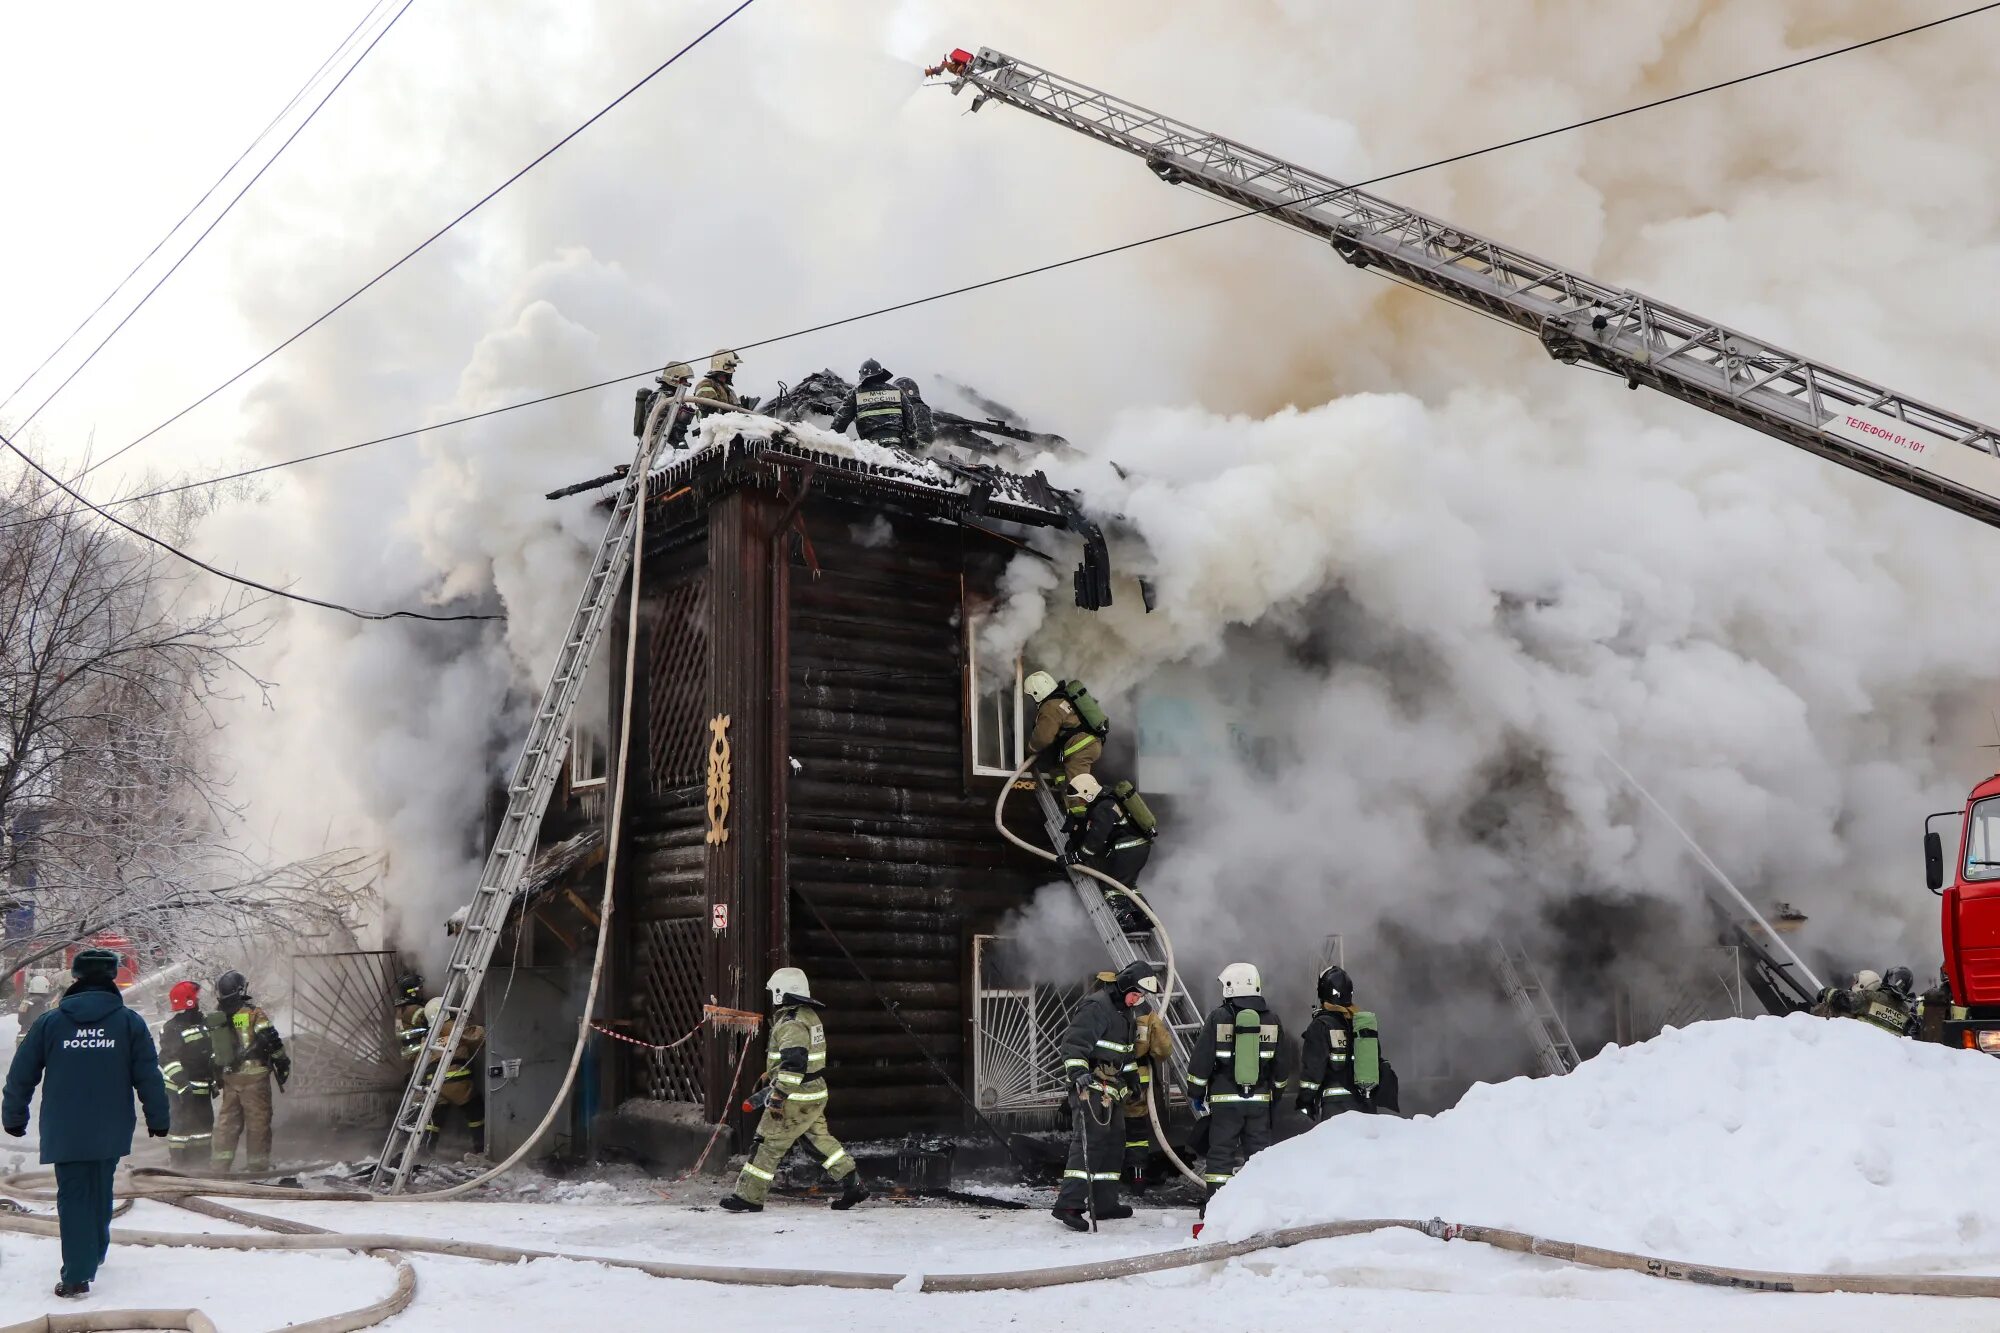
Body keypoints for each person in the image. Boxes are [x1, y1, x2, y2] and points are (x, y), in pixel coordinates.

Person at [3, 947, 170, 1298]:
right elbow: (148, 1076)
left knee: (75, 1194)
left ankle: (78, 1272)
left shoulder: (51, 1022)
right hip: (111, 1125)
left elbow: (21, 1073)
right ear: (111, 978)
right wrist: (158, 1117)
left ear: (75, 979)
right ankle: (92, 1253)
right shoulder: (129, 1023)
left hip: (65, 1128)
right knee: (99, 1186)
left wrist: (14, 1114)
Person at [721, 968, 867, 1213]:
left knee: (767, 1143)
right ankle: (855, 1186)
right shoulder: (808, 1016)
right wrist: (771, 1074)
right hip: (813, 1092)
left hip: (795, 1097)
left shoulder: (791, 1023)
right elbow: (803, 1059)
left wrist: (778, 1095)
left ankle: (748, 1197)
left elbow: (794, 1064)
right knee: (819, 1142)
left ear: (782, 992)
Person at [1052, 959, 1159, 1232]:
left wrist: (1133, 1076)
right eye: (1135, 993)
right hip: (1091, 1088)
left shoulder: (1126, 1013)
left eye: (1141, 996)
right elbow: (1073, 1043)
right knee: (1090, 1144)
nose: (1138, 999)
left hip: (1113, 1091)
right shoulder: (1097, 1006)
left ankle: (1104, 1203)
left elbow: (1124, 1053)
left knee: (1113, 1144)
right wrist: (1078, 1074)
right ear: (1124, 985)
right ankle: (1069, 1205)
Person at [1186, 963, 1287, 1212]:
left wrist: (1196, 1093)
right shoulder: (1272, 1020)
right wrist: (1274, 1094)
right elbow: (1282, 1064)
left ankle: (1217, 1208)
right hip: (1259, 1100)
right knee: (1259, 1156)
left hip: (1225, 1100)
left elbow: (1202, 1059)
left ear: (1232, 986)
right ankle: (1259, 1208)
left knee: (1220, 1155)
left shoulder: (1218, 1018)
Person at [207, 971, 290, 1174]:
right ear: (240, 989)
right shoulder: (253, 1013)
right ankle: (257, 1165)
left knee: (227, 1124)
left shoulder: (217, 1017)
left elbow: (213, 1050)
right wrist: (283, 1062)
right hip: (255, 1077)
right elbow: (272, 1040)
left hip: (230, 1078)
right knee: (258, 1123)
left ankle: (219, 1166)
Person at [1063, 774, 1159, 932]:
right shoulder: (1109, 800)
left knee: (1111, 886)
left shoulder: (1103, 808)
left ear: (1088, 792)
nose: (1080, 802)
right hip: (1140, 847)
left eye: (1080, 798)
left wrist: (1076, 856)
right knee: (1127, 885)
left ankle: (1124, 919)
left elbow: (1096, 839)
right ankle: (1146, 916)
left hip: (1126, 848)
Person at [1297, 964, 1376, 1120]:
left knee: (1337, 1144)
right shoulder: (1361, 1024)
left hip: (1335, 1105)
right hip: (1364, 1100)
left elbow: (1313, 1068)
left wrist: (1305, 1100)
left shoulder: (1321, 1025)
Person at [1024, 671, 1109, 814]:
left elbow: (1043, 738)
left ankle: (1079, 820)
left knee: (1077, 787)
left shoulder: (1050, 707)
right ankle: (1064, 790)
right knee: (1058, 769)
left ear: (1036, 693)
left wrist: (1030, 749)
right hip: (1090, 743)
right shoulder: (1065, 698)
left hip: (1080, 748)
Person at [415, 996, 486, 1155]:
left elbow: (419, 1061)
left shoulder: (427, 1036)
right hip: (456, 1081)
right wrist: (481, 1027)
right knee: (475, 1111)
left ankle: (424, 1152)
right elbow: (476, 1036)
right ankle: (480, 1149)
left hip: (433, 1082)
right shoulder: (452, 1027)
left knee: (434, 1118)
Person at [158, 981, 216, 1169]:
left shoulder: (203, 1023)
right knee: (181, 1128)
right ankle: (179, 1164)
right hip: (181, 1089)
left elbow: (210, 1051)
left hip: (202, 1086)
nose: (200, 999)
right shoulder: (173, 1029)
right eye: (196, 996)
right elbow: (167, 1060)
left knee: (203, 1127)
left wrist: (215, 1077)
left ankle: (201, 1163)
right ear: (189, 1001)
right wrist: (183, 1084)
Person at [830, 358, 914, 447]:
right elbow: (910, 417)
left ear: (861, 375)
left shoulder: (856, 393)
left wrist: (831, 441)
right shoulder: (897, 391)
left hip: (871, 447)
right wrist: (910, 441)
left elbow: (841, 421)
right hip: (896, 446)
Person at [633, 362, 697, 443]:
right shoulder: (660, 397)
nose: (686, 383)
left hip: (677, 441)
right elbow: (657, 426)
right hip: (662, 444)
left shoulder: (679, 399)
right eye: (683, 380)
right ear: (674, 379)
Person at [893, 376, 936, 447]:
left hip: (917, 448)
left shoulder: (919, 408)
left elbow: (924, 435)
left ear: (910, 391)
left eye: (901, 391)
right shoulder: (904, 409)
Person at [16, 973, 53, 1047]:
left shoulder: (26, 1000)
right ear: (44, 987)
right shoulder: (39, 1001)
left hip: (22, 1036)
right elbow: (39, 1021)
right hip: (33, 1038)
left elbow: (20, 1020)